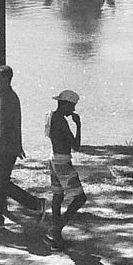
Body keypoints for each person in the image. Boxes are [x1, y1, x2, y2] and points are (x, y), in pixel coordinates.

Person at [0, 65, 44, 229]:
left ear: (6, 79)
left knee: (1, 183)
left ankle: (35, 204)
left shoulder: (8, 98)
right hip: (8, 146)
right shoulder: (7, 96)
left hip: (5, 148)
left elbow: (7, 128)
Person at [43, 89, 87, 249]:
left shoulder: (50, 116)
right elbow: (76, 146)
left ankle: (56, 236)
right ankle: (56, 229)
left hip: (53, 157)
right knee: (80, 198)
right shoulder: (61, 121)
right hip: (62, 161)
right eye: (72, 106)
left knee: (58, 195)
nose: (73, 110)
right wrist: (79, 125)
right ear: (66, 104)